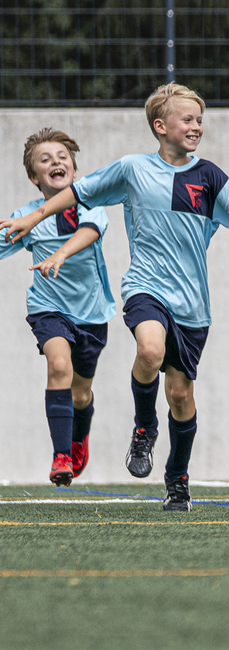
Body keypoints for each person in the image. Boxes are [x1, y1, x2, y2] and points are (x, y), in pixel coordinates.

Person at [0, 84, 229, 512]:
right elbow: (80, 192)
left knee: (180, 395)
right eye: (188, 119)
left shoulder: (209, 176)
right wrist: (34, 215)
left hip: (193, 305)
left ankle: (177, 479)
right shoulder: (132, 169)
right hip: (145, 287)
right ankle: (144, 427)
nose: (196, 126)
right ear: (161, 127)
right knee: (148, 348)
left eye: (199, 120)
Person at [1, 129, 114, 486]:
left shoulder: (90, 204)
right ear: (34, 177)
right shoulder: (25, 216)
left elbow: (93, 231)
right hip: (48, 308)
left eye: (62, 157)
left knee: (80, 393)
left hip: (92, 314)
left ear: (74, 170)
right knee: (59, 365)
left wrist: (60, 254)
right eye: (45, 160)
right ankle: (61, 456)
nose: (56, 163)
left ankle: (79, 437)